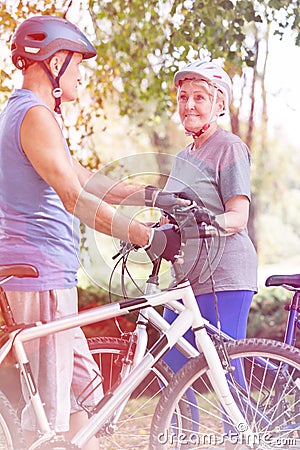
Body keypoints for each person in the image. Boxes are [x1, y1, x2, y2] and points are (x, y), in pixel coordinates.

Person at [0, 15, 182, 449]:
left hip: (50, 275)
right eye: (78, 63)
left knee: (86, 397)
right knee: (48, 421)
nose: (81, 73)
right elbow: (73, 198)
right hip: (38, 275)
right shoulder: (34, 116)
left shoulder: (30, 114)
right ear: (56, 61)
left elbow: (84, 179)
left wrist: (152, 197)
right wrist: (144, 235)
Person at [161, 60, 258, 450]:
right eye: (183, 97)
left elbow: (238, 215)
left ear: (219, 104)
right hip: (186, 278)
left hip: (226, 273)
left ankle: (242, 442)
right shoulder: (183, 156)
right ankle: (185, 440)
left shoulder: (230, 147)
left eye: (199, 97)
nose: (189, 104)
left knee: (226, 369)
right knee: (169, 361)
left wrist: (208, 223)